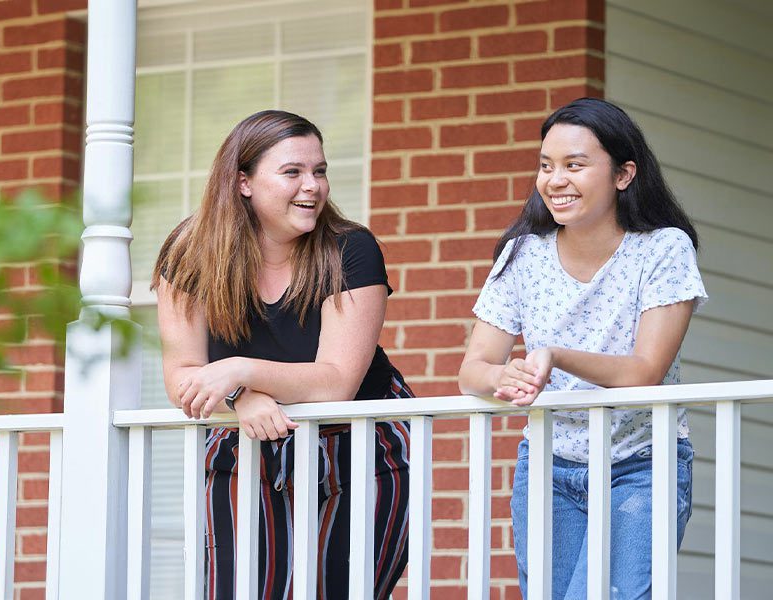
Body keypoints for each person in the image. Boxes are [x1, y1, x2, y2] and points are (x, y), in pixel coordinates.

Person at [151, 110, 411, 600]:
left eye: (319, 171)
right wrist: (238, 397)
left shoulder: (349, 249)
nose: (312, 186)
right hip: (247, 442)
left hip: (361, 445)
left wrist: (240, 370)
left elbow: (336, 384)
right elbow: (182, 375)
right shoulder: (190, 253)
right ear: (243, 181)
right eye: (292, 172)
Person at [458, 97, 707, 599]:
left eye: (575, 165)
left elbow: (645, 370)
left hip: (641, 465)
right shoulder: (523, 253)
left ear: (623, 174)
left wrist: (555, 355)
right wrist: (502, 377)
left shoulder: (663, 248)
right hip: (548, 467)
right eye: (546, 166)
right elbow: (473, 369)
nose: (555, 180)